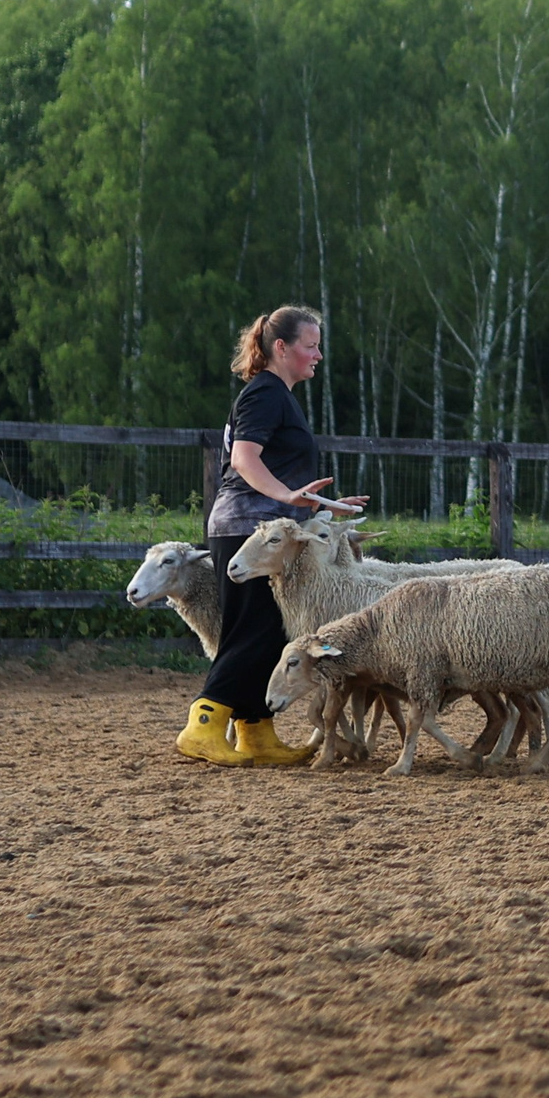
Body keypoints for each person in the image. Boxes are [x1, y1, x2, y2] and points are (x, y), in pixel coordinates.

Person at [175, 306, 367, 767]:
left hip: (265, 528)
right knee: (253, 633)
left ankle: (255, 730)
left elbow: (277, 472)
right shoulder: (264, 394)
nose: (318, 355)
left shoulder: (276, 395)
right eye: (310, 345)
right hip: (250, 530)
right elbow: (244, 459)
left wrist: (318, 505)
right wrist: (287, 496)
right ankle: (203, 724)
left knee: (270, 632)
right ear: (281, 347)